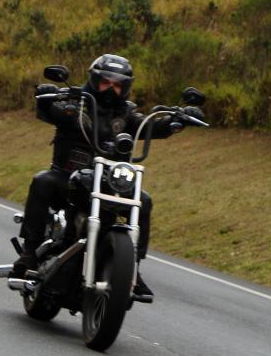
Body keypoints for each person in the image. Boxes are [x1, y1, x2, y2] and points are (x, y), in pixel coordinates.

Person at [11, 54, 205, 301]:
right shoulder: (74, 103)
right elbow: (50, 112)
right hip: (68, 178)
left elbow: (149, 127)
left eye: (118, 84)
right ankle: (29, 252)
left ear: (126, 87)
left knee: (143, 201)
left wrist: (175, 121)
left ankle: (132, 268)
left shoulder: (126, 114)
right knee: (42, 181)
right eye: (106, 82)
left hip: (109, 183)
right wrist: (47, 99)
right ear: (94, 80)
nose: (111, 88)